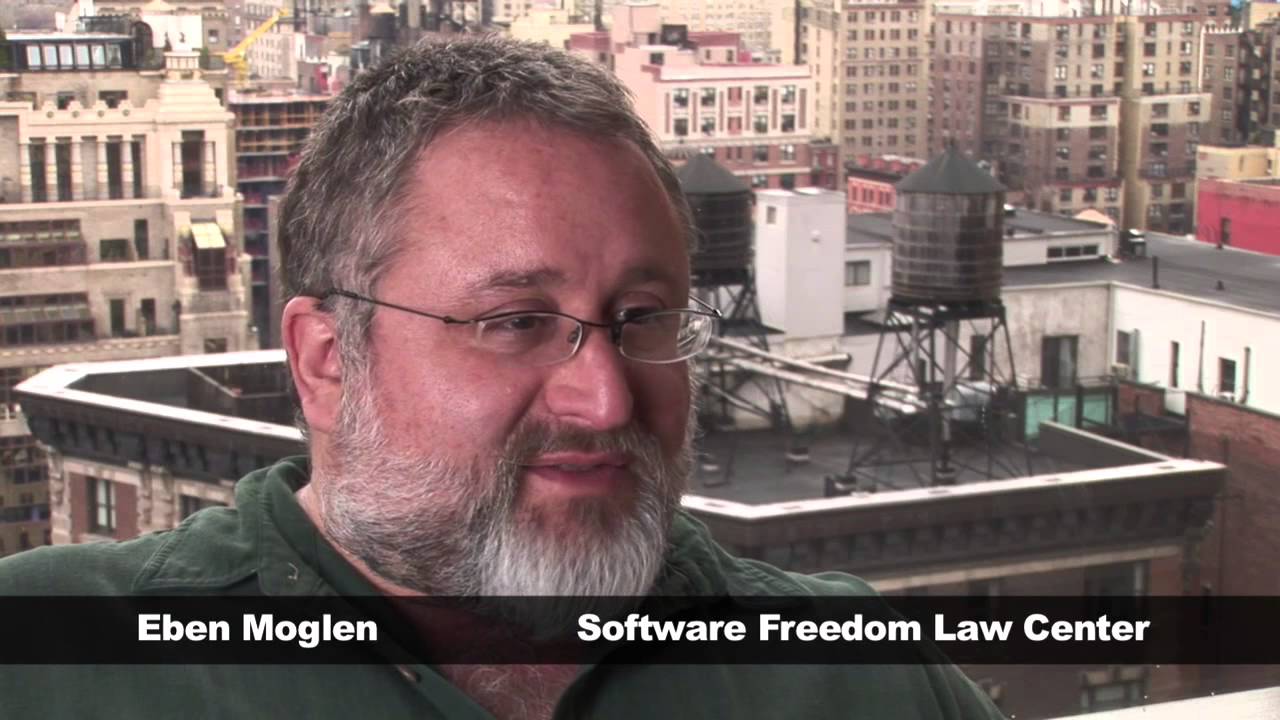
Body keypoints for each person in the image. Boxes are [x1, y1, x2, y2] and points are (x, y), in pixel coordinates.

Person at [0, 35, 1006, 719]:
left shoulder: (853, 679)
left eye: (643, 318)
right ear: (326, 361)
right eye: (516, 322)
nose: (605, 398)